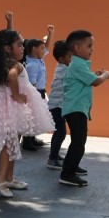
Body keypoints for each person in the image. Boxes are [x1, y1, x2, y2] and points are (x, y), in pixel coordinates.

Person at [0, 25, 54, 198]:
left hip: (7, 105)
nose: (23, 48)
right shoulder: (15, 65)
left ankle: (8, 178)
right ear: (7, 48)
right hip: (12, 105)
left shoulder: (4, 63)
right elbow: (12, 76)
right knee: (10, 143)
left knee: (14, 141)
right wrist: (17, 96)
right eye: (19, 45)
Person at [58, 30, 109, 186]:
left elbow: (86, 78)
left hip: (77, 109)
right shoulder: (78, 65)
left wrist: (94, 73)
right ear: (77, 48)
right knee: (78, 143)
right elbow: (95, 82)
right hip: (75, 109)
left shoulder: (79, 64)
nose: (92, 49)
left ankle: (72, 167)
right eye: (89, 46)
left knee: (78, 141)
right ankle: (67, 174)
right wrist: (105, 75)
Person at [21, 25, 54, 151]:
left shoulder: (37, 59)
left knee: (36, 116)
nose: (44, 50)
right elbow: (31, 83)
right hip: (34, 93)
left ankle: (32, 137)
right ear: (34, 49)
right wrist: (34, 97)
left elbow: (47, 47)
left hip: (40, 91)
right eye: (41, 48)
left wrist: (50, 34)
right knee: (30, 116)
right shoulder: (32, 65)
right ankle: (27, 141)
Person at [46, 40, 72, 169]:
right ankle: (52, 158)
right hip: (57, 106)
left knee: (58, 132)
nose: (73, 59)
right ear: (62, 59)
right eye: (71, 56)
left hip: (57, 105)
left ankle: (54, 154)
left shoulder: (62, 66)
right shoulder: (65, 69)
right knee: (61, 133)